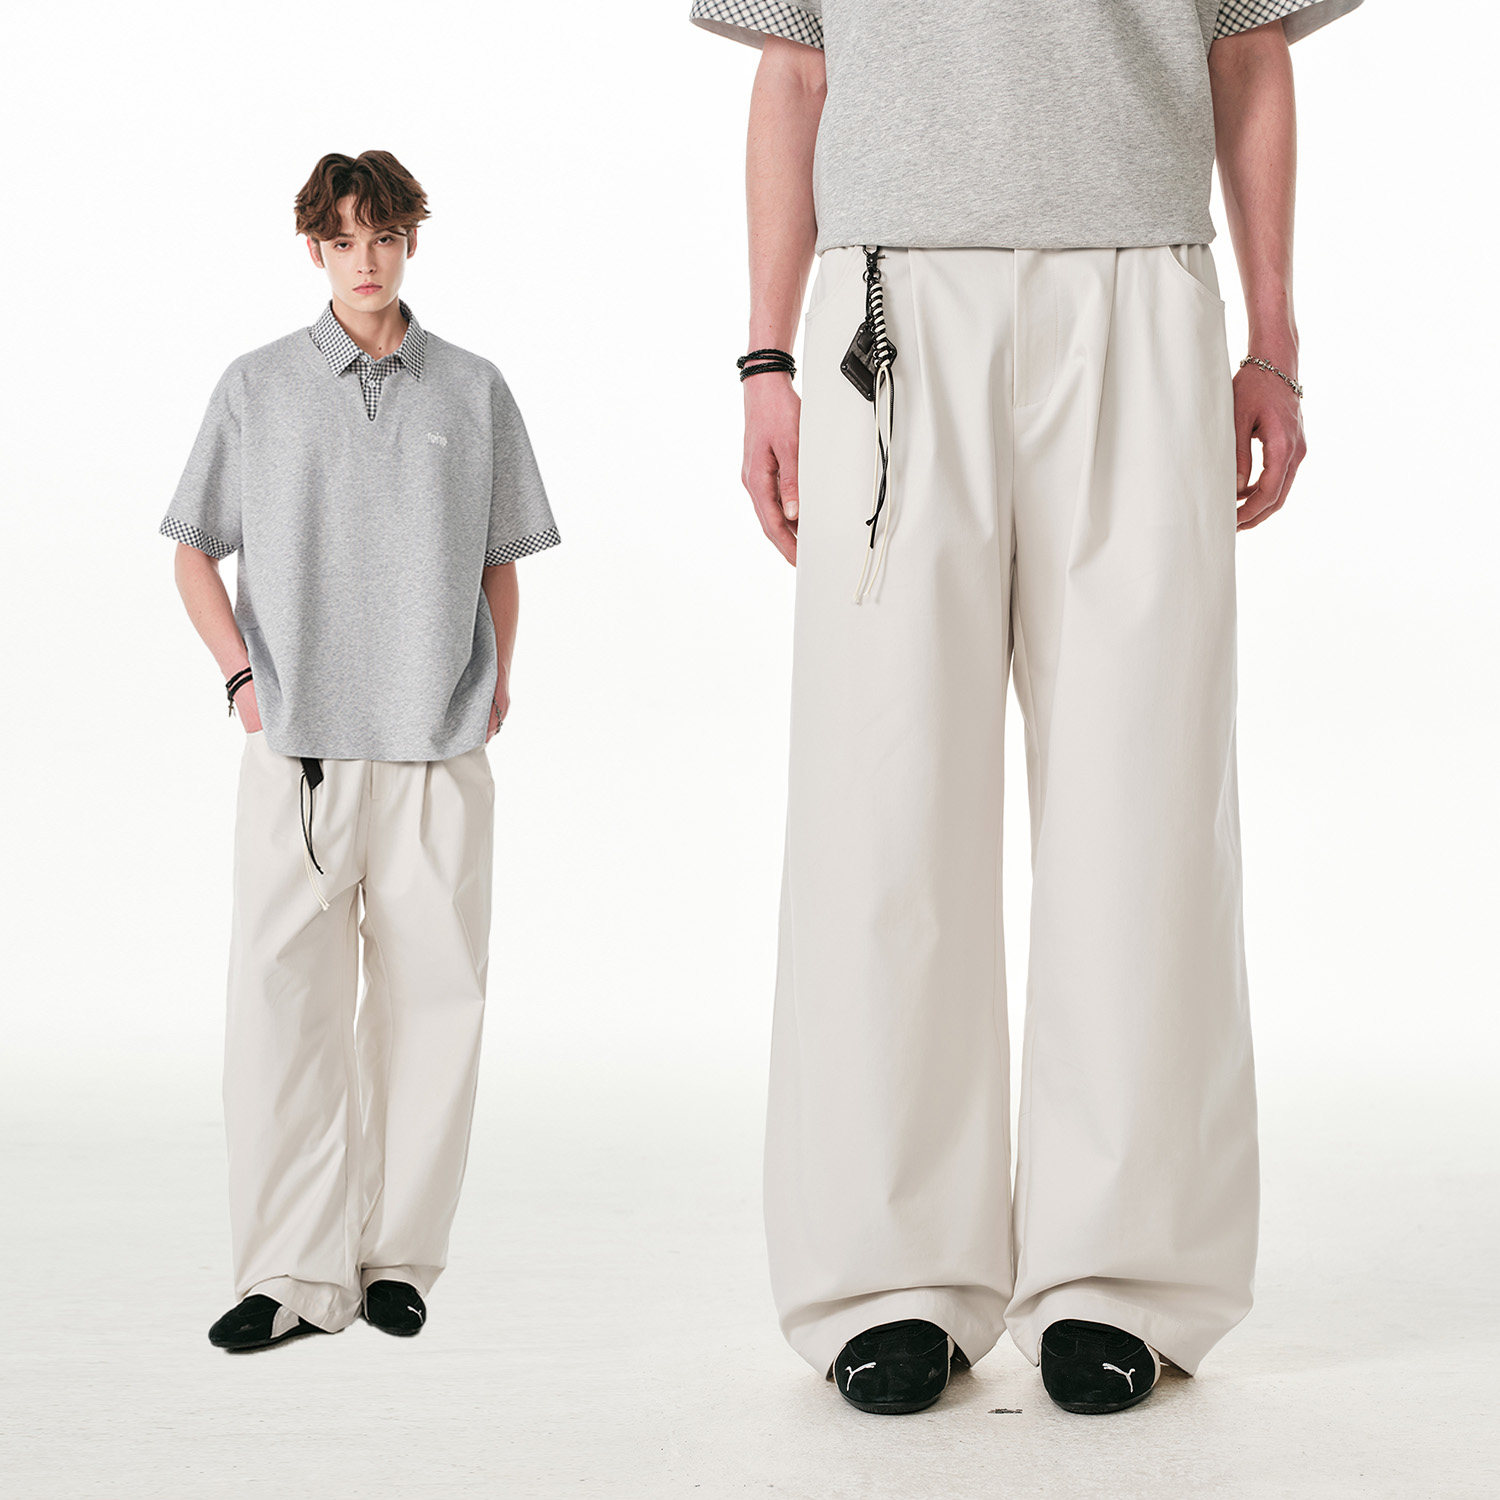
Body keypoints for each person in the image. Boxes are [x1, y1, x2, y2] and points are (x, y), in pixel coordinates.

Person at [689, 0, 1361, 1415]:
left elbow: (1248, 48)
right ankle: (887, 1276)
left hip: (1140, 284)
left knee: (1143, 795)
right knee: (883, 798)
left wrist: (1275, 339)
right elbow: (798, 68)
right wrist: (763, 358)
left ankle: (1124, 1274)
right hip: (889, 300)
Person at [159, 149, 560, 1352]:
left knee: (433, 1010)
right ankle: (290, 1274)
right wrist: (243, 680)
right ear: (315, 249)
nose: (366, 258)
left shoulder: (473, 388)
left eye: (383, 234)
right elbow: (193, 548)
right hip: (301, 756)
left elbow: (501, 557)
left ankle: (396, 1261)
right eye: (343, 239)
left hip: (438, 749)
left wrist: (496, 677)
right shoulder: (257, 387)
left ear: (410, 240)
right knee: (282, 1014)